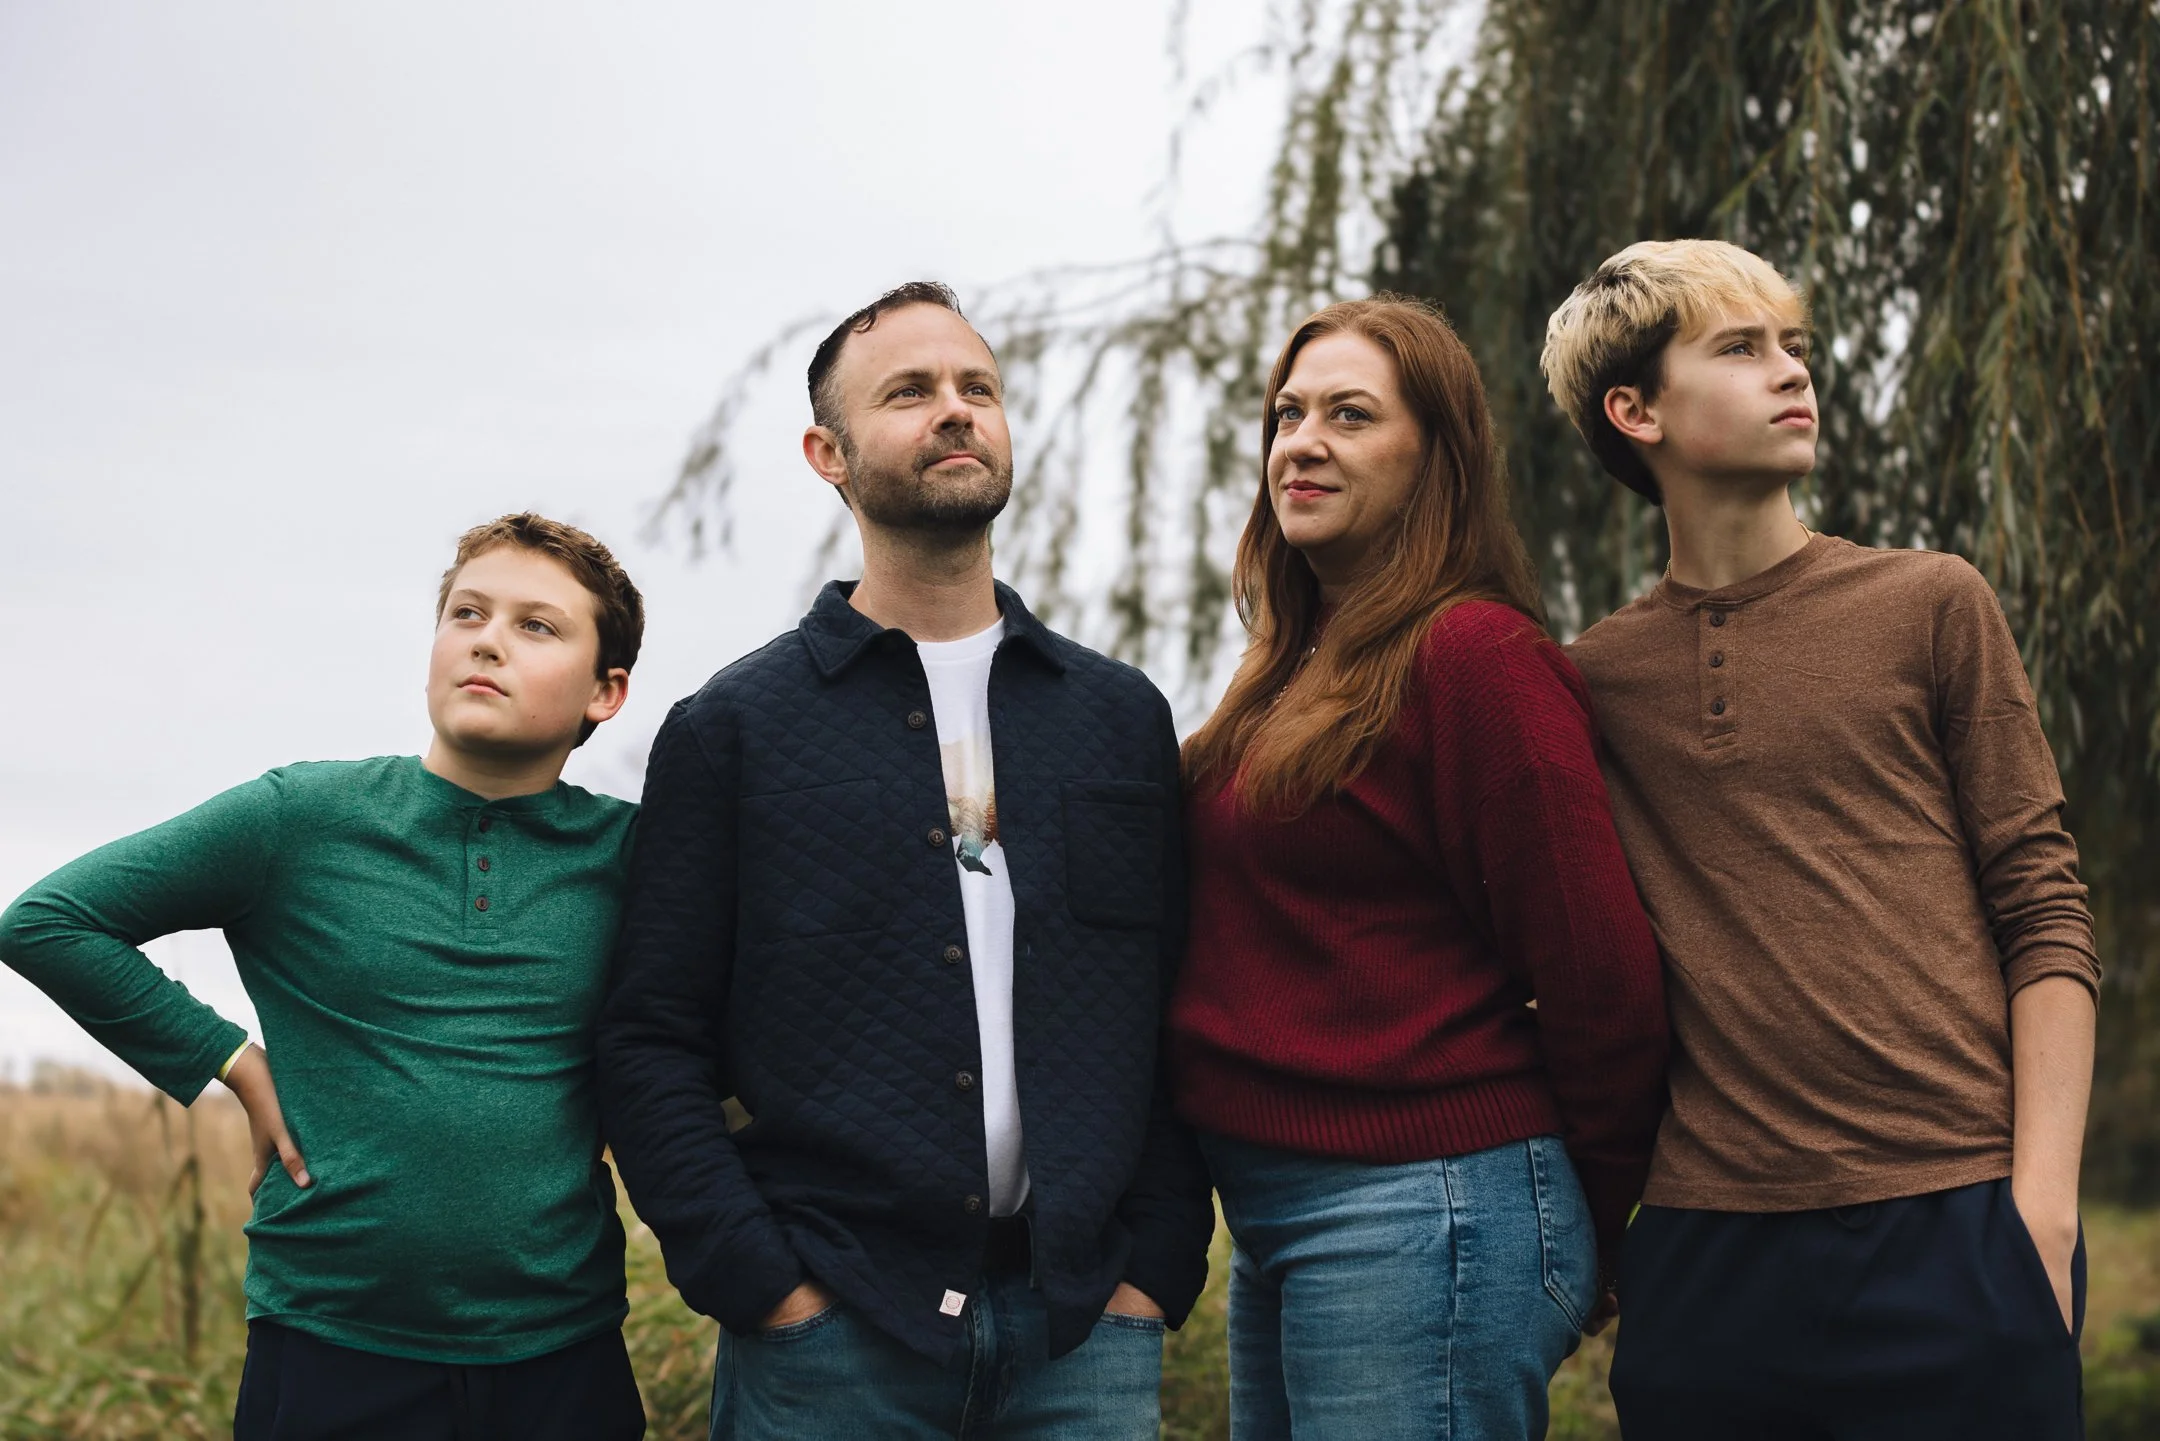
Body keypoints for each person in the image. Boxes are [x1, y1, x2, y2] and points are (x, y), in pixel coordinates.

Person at [595, 281, 1214, 1441]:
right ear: (827, 453)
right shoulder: (734, 729)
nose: (956, 410)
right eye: (912, 391)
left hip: (1084, 1332)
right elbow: (650, 1035)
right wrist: (760, 1286)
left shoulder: (1118, 717)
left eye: (977, 387)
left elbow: (1168, 1006)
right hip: (834, 1336)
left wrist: (1156, 1272)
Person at [1542, 238, 2100, 1439]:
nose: (1793, 371)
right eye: (1739, 349)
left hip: (1956, 1222)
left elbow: (2045, 913)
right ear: (1632, 409)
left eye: (1794, 345)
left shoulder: (1931, 602)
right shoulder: (1589, 681)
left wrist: (2041, 1210)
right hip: (1709, 1254)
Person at [0, 513, 650, 1439]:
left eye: (536, 626)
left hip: (562, 1350)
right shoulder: (299, 817)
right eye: (466, 613)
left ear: (606, 689)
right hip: (330, 1344)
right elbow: (50, 921)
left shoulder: (636, 856)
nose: (487, 640)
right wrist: (230, 1058)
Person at [1167, 295, 1670, 1440]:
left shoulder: (1477, 658)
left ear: (1434, 456)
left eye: (1350, 414)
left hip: (1429, 1205)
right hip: (1285, 1207)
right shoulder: (1288, 672)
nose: (1301, 440)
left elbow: (1603, 980)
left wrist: (1579, 1221)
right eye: (1287, 413)